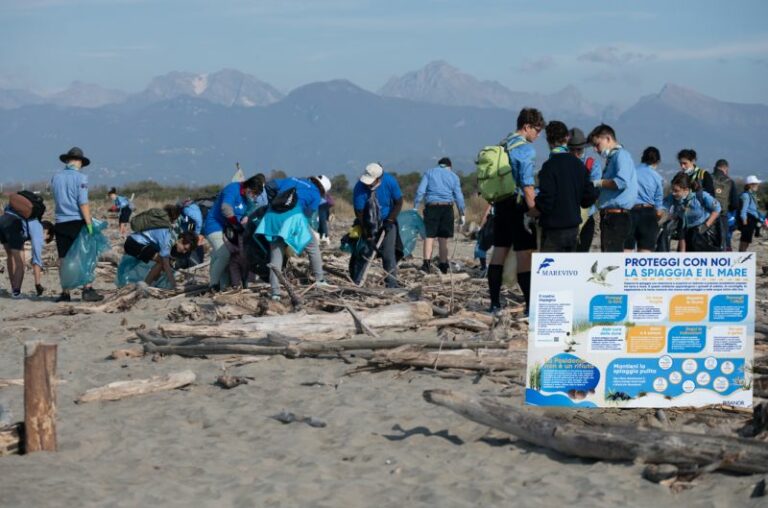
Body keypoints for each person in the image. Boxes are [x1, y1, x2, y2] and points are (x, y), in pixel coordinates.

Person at [487, 108, 545, 314]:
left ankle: (494, 303)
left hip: (500, 204)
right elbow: (528, 185)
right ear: (527, 127)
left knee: (499, 252)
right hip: (518, 205)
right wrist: (534, 210)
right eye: (537, 130)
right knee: (525, 255)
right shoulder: (525, 149)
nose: (538, 136)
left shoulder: (504, 143)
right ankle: (530, 305)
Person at [259, 175, 332, 300]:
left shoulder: (292, 179)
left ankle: (275, 292)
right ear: (322, 189)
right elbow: (308, 215)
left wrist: (273, 201)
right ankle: (320, 280)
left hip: (272, 216)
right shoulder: (315, 194)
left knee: (276, 254)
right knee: (313, 247)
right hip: (294, 217)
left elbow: (269, 185)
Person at [535, 121, 598, 252]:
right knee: (570, 269)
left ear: (548, 141)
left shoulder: (548, 167)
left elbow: (546, 201)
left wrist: (534, 207)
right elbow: (588, 198)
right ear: (566, 138)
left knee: (550, 270)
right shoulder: (579, 166)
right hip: (573, 228)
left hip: (552, 229)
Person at [50, 147, 103, 302]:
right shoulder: (81, 178)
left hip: (60, 221)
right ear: (79, 161)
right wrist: (89, 224)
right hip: (77, 221)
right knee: (85, 256)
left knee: (63, 258)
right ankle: (87, 289)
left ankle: (65, 292)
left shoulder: (56, 177)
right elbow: (83, 203)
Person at [202, 175, 264, 290]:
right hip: (215, 225)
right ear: (248, 187)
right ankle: (213, 285)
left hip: (230, 228)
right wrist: (236, 224)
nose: (253, 196)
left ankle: (223, 285)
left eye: (256, 195)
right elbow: (225, 208)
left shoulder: (247, 200)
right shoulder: (233, 189)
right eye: (253, 193)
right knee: (224, 254)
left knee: (221, 257)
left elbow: (247, 214)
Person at [352, 163, 404, 288]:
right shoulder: (359, 187)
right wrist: (367, 233)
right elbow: (359, 212)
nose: (368, 185)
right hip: (368, 221)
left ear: (379, 179)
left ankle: (391, 284)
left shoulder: (390, 182)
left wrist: (390, 220)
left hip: (387, 220)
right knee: (365, 252)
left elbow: (398, 202)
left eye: (371, 182)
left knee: (388, 254)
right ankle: (357, 282)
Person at [588, 124, 638, 253]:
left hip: (617, 217)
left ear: (608, 139)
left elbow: (621, 182)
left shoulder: (621, 156)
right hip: (610, 216)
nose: (595, 149)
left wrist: (598, 183)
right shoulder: (612, 159)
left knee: (612, 258)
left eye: (597, 144)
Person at [414, 157, 466, 274]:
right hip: (447, 208)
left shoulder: (429, 173)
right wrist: (462, 213)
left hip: (432, 207)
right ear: (449, 166)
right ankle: (443, 265)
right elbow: (459, 197)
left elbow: (420, 191)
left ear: (439, 165)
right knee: (443, 238)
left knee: (429, 236)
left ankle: (426, 264)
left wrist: (415, 207)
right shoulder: (454, 176)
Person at [0, 206, 54, 298]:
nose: (43, 243)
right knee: (21, 263)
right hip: (14, 225)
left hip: (2, 221)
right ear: (46, 232)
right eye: (46, 240)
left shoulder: (31, 220)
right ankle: (16, 292)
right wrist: (37, 284)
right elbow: (37, 259)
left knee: (10, 255)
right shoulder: (38, 230)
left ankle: (14, 287)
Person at [123, 228, 197, 289]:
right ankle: (145, 286)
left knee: (164, 264)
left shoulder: (175, 236)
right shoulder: (169, 240)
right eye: (185, 248)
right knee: (162, 262)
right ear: (180, 240)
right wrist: (174, 285)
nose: (184, 252)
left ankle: (152, 283)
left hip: (139, 241)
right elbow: (165, 264)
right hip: (135, 243)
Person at [664, 172, 721, 252]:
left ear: (686, 190)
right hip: (687, 231)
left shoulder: (701, 196)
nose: (673, 193)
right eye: (672, 190)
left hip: (703, 232)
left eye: (676, 191)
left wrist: (706, 225)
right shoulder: (673, 198)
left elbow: (717, 209)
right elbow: (663, 207)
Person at [568, 128, 602, 252]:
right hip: (567, 216)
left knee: (581, 252)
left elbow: (594, 189)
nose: (576, 153)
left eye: (579, 149)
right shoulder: (562, 163)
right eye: (572, 149)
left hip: (587, 215)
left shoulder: (592, 164)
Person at [624, 147, 664, 253]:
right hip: (648, 213)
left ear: (642, 158)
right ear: (658, 161)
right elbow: (658, 203)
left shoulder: (631, 172)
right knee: (645, 251)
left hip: (630, 211)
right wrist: (658, 216)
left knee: (626, 249)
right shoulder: (657, 177)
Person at [712, 159, 739, 250]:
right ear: (726, 168)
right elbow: (735, 203)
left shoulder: (707, 178)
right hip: (722, 215)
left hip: (707, 215)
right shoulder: (730, 181)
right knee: (724, 240)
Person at [738, 175, 763, 252]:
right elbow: (744, 210)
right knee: (745, 240)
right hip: (748, 220)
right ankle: (741, 255)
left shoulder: (752, 195)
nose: (757, 185)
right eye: (756, 184)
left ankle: (742, 254)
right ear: (750, 185)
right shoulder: (746, 195)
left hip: (751, 219)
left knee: (747, 240)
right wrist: (744, 221)